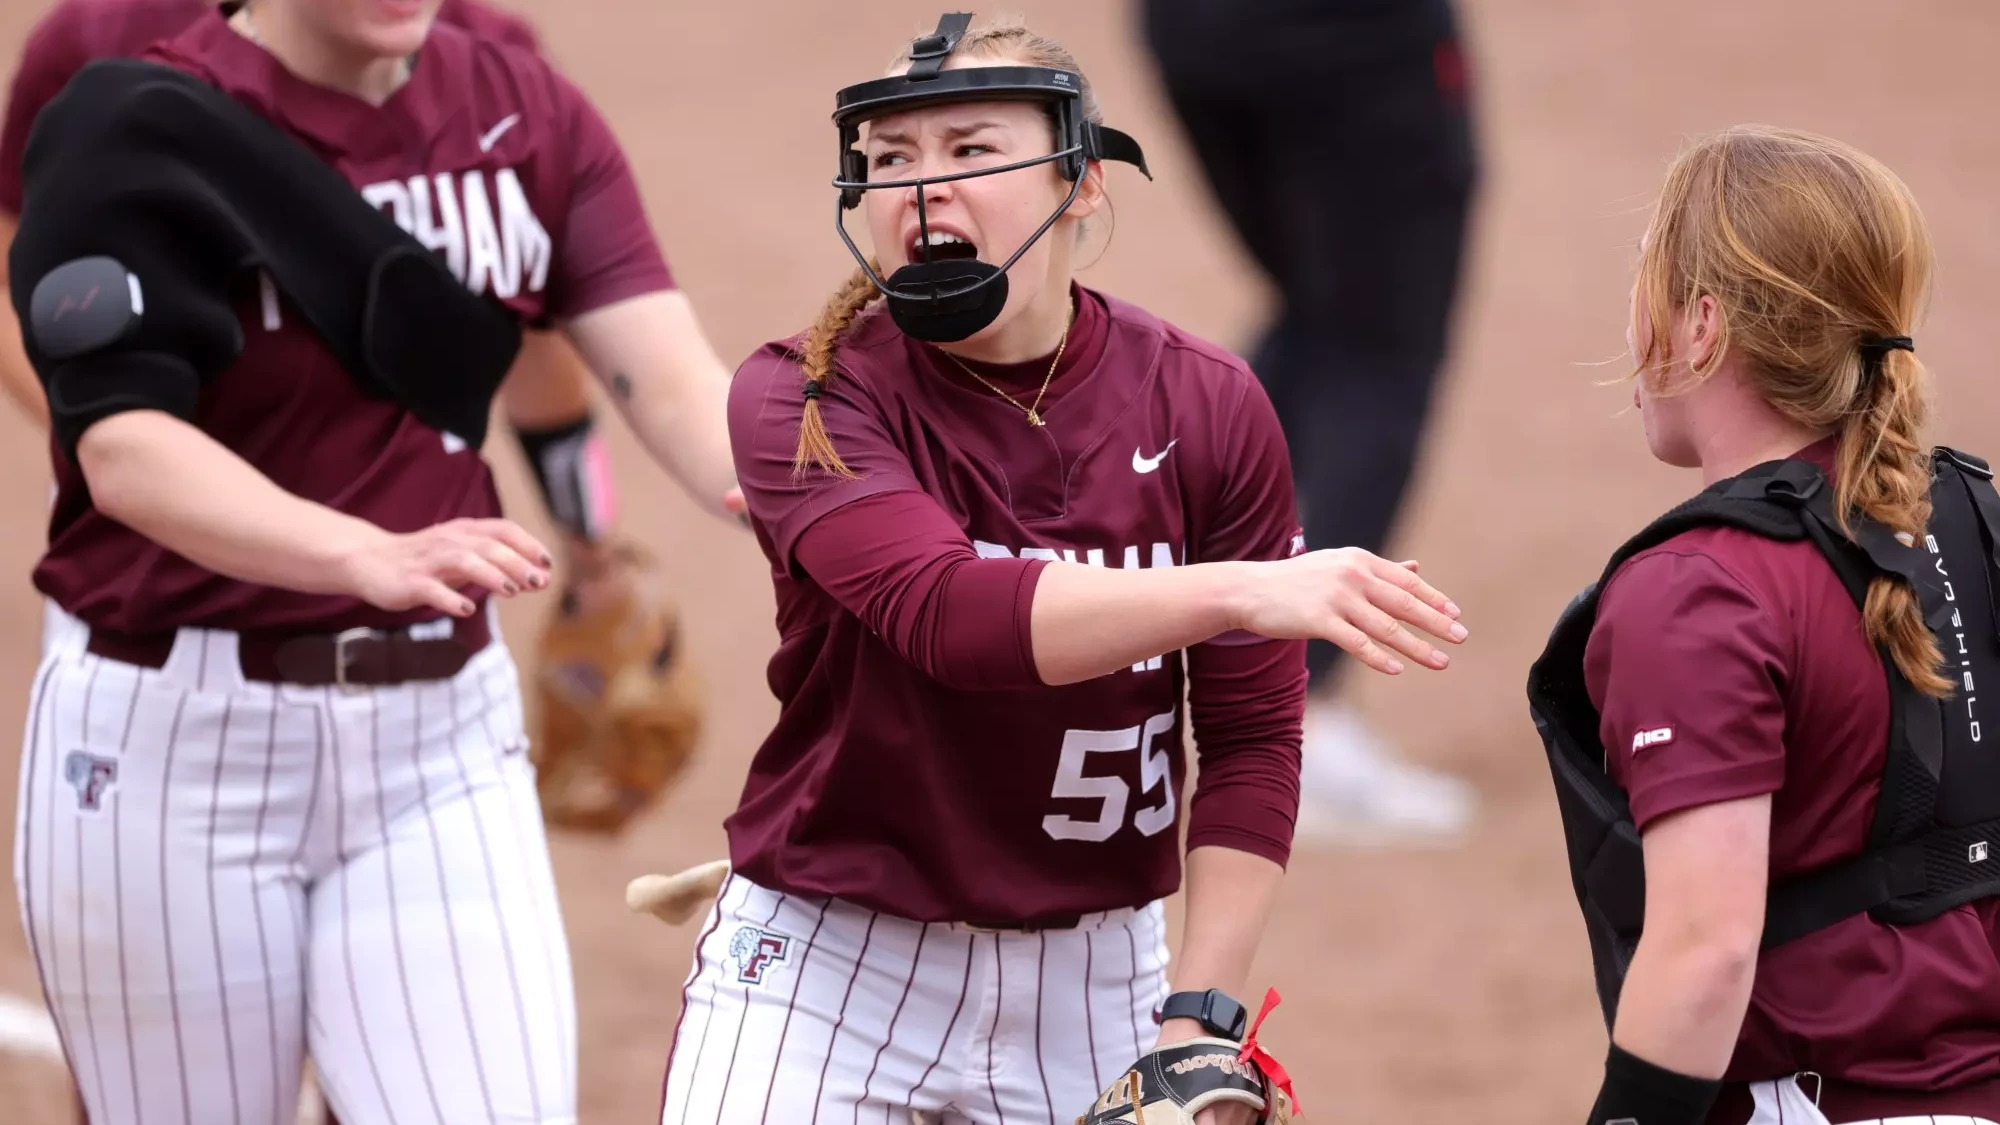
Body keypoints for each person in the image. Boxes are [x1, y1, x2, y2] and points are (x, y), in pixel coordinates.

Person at [664, 12, 1467, 1124]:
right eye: (891, 158)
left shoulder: (1204, 402)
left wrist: (1200, 1017)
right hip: (822, 971)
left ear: (1080, 183)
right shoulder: (801, 395)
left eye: (969, 149)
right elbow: (951, 616)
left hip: (1097, 992)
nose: (922, 187)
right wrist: (1234, 587)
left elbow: (1248, 740)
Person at [5, 0, 741, 1122]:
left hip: (438, 741)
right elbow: (119, 446)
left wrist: (846, 493)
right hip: (171, 745)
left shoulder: (519, 105)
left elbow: (669, 384)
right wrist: (358, 551)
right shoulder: (118, 105)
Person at [1528, 125, 2000, 1125]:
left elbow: (1705, 951)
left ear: (1700, 326)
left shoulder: (1696, 591)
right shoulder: (1974, 516)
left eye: (1642, 285)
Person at [1, 0, 658, 678]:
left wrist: (591, 552)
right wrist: (124, 431)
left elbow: (536, 333)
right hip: (159, 622)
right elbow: (9, 274)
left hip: (425, 653)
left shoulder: (482, 48)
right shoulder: (97, 35)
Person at [1139, 0, 1482, 845]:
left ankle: (1135, 594)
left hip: (1193, 30)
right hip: (1349, 39)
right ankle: (1293, 721)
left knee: (1325, 321)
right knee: (1376, 353)